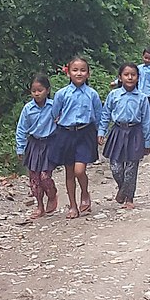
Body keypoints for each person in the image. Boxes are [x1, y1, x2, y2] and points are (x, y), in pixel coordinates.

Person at [50, 57, 102, 219]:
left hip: (85, 132)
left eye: (82, 70)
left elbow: (99, 115)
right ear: (68, 73)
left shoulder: (92, 94)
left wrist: (100, 132)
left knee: (80, 170)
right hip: (66, 133)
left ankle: (85, 193)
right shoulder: (62, 94)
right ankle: (72, 205)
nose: (79, 73)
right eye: (75, 70)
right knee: (69, 172)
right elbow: (54, 113)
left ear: (88, 74)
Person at [98, 63, 150, 210]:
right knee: (115, 167)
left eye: (133, 74)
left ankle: (129, 197)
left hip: (135, 133)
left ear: (137, 78)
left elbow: (147, 121)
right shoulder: (113, 95)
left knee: (131, 168)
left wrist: (147, 142)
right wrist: (101, 131)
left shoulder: (142, 98)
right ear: (120, 77)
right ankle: (123, 189)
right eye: (126, 74)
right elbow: (105, 115)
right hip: (117, 131)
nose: (129, 77)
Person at [16, 74, 58, 220]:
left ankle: (52, 195)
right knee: (34, 179)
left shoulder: (54, 106)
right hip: (33, 144)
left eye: (40, 90)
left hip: (49, 144)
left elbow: (62, 121)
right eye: (34, 90)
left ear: (47, 90)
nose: (37, 93)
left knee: (45, 176)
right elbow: (21, 129)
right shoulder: (28, 109)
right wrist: (20, 148)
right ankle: (39, 206)